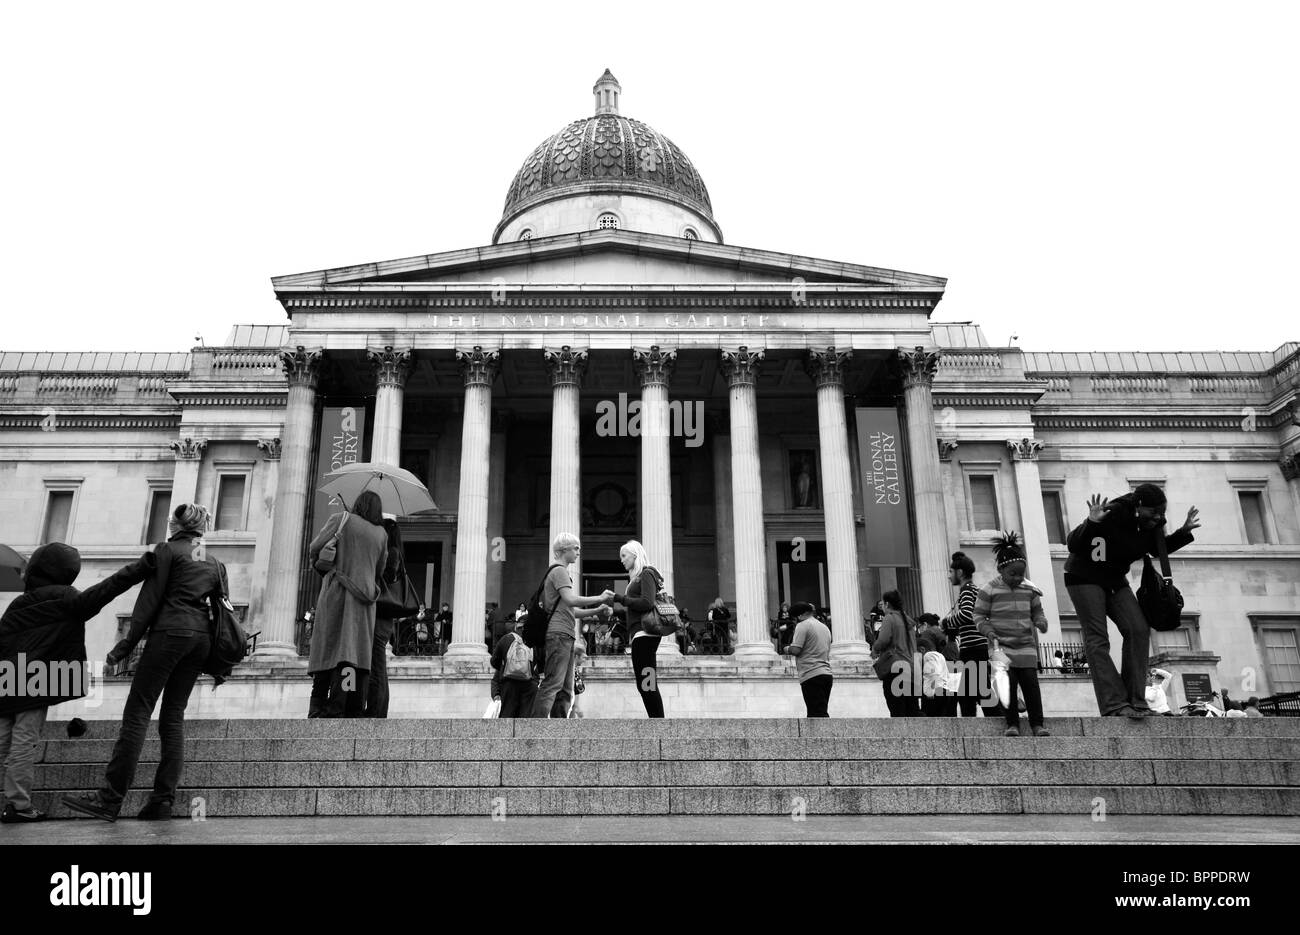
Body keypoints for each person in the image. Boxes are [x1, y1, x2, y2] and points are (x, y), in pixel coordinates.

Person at [62, 504, 225, 822]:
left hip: (170, 632)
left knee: (137, 713)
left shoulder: (167, 550)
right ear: (203, 527)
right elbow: (222, 609)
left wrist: (114, 634)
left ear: (174, 525)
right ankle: (162, 801)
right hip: (200, 640)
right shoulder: (215, 562)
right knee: (173, 717)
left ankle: (109, 799)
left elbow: (126, 581)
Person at [0, 543, 155, 823]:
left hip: (5, 680)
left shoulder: (19, 603)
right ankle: (18, 805)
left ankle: (17, 803)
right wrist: (141, 568)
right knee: (24, 741)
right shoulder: (65, 597)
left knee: (2, 741)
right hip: (35, 681)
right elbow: (105, 590)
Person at [1064, 484, 1199, 717]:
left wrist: (1183, 532)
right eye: (1152, 512)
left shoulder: (1155, 523)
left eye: (1161, 513)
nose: (1157, 517)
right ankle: (1115, 703)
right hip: (1084, 577)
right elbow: (1073, 544)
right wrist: (1091, 522)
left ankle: (1136, 700)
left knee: (1138, 629)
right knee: (1098, 638)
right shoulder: (1114, 512)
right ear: (1138, 506)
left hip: (1115, 580)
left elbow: (1157, 550)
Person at [305, 491, 388, 718]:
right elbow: (380, 570)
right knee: (354, 654)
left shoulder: (342, 519)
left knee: (328, 648)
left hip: (337, 595)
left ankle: (320, 706)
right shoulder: (381, 534)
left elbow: (314, 547)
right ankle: (349, 705)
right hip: (365, 603)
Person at [973, 532, 1050, 738]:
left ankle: (1037, 724)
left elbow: (1037, 611)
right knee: (1008, 686)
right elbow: (979, 616)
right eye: (1013, 574)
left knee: (1031, 686)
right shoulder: (988, 590)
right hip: (1000, 646)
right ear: (1001, 569)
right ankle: (1012, 724)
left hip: (1025, 645)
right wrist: (988, 631)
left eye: (1021, 574)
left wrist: (1040, 621)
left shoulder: (1030, 589)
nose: (1017, 578)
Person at [529, 534, 612, 719]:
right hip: (559, 634)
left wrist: (596, 610)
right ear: (564, 549)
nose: (578, 552)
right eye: (575, 548)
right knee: (553, 683)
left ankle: (558, 727)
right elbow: (570, 600)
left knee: (566, 688)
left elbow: (570, 611)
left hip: (564, 635)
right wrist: (600, 598)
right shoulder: (559, 572)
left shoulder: (559, 572)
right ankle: (534, 727)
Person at [609, 540, 668, 718]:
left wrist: (621, 598)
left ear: (635, 555)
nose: (622, 560)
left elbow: (647, 602)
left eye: (624, 556)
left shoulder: (647, 573)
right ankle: (656, 720)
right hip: (640, 635)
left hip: (646, 635)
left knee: (647, 681)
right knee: (645, 681)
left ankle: (658, 722)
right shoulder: (637, 578)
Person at [943, 551, 1002, 718]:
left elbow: (967, 614)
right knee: (970, 691)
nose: (949, 576)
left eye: (950, 572)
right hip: (975, 647)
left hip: (973, 649)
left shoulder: (967, 590)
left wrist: (946, 623)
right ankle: (990, 722)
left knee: (972, 692)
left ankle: (995, 722)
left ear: (959, 573)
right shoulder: (973, 589)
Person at [367, 518, 407, 718]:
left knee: (377, 666)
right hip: (383, 618)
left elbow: (388, 577)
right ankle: (377, 708)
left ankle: (376, 710)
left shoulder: (392, 553)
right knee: (378, 665)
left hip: (381, 616)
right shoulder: (395, 552)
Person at [872, 591, 919, 717]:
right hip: (912, 668)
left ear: (887, 604)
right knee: (912, 709)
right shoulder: (908, 621)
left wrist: (875, 649)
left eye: (883, 604)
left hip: (896, 667)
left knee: (897, 709)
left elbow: (883, 640)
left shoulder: (889, 617)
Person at [785, 601, 833, 717]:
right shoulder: (824, 627)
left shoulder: (803, 625)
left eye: (795, 618)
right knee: (820, 710)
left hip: (811, 674)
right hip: (826, 674)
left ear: (800, 615)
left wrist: (787, 648)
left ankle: (824, 735)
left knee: (816, 714)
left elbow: (796, 650)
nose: (795, 621)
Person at [489, 616, 538, 717]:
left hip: (509, 684)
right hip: (529, 685)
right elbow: (541, 664)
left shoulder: (506, 638)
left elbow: (494, 661)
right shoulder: (534, 642)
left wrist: (505, 667)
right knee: (525, 719)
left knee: (507, 716)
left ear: (517, 626)